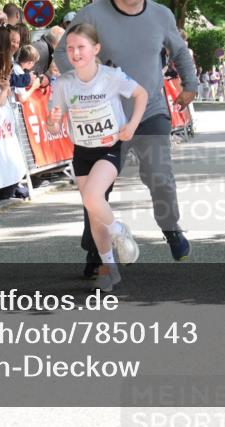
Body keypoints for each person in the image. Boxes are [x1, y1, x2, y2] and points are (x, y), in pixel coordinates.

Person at [53, 0, 195, 276]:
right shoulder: (92, 14)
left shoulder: (161, 15)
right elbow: (63, 51)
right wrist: (87, 77)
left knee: (159, 175)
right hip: (104, 117)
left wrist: (190, 84)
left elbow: (180, 51)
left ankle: (171, 228)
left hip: (150, 110)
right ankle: (96, 251)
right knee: (96, 189)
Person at [47, 23, 146, 291]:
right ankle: (109, 271)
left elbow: (141, 94)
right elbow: (52, 125)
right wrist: (53, 121)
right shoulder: (64, 84)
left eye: (81, 47)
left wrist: (132, 125)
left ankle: (119, 232)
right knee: (94, 215)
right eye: (70, 48)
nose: (75, 53)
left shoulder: (111, 77)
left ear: (96, 49)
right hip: (82, 152)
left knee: (92, 197)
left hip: (110, 148)